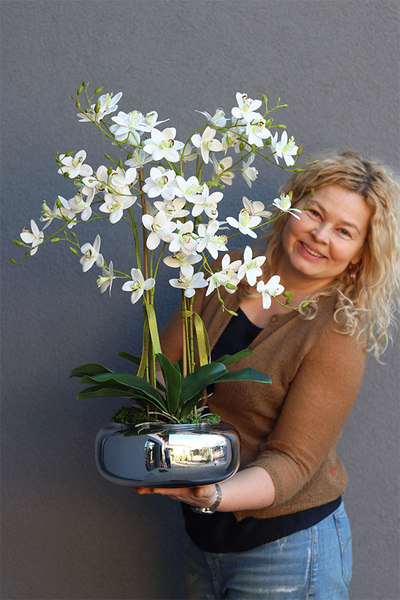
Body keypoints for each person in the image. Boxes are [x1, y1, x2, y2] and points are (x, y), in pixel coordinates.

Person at [137, 151, 400, 599]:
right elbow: (163, 369)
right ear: (290, 206)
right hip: (203, 538)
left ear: (359, 254)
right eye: (314, 213)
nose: (319, 235)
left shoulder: (336, 332)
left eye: (344, 231)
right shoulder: (226, 268)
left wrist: (210, 494)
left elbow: (293, 461)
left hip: (288, 550)